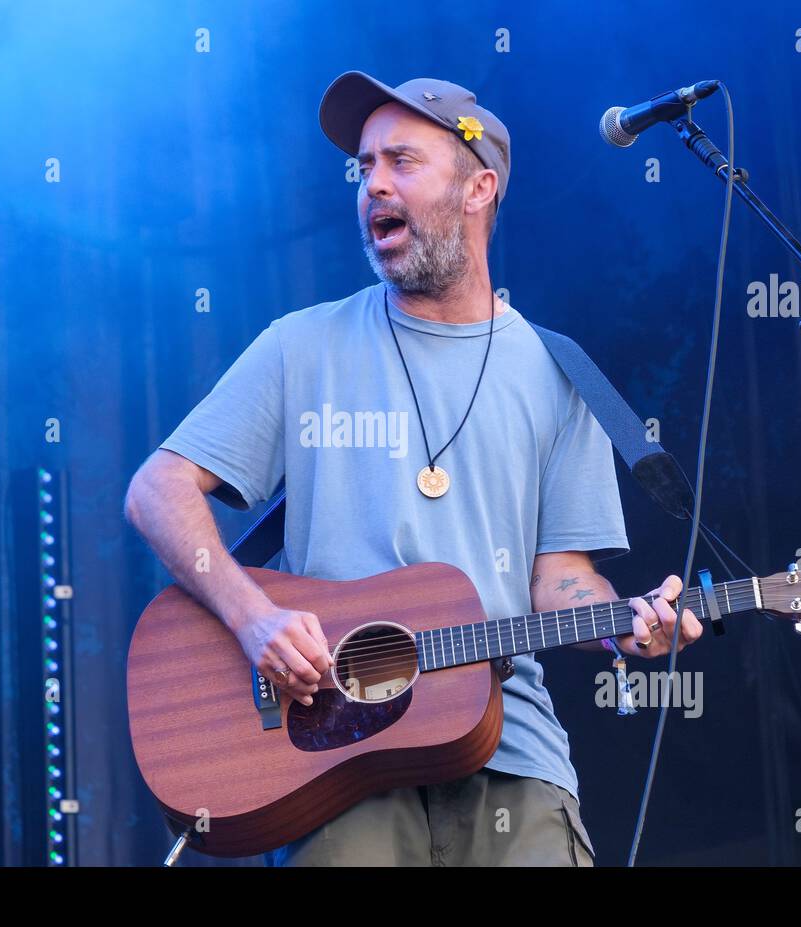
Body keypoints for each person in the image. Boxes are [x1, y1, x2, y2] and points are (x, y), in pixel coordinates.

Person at [124, 71, 703, 866]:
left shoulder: (558, 373)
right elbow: (157, 490)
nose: (373, 186)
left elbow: (559, 580)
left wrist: (625, 626)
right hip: (334, 760)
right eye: (364, 167)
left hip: (515, 755)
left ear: (479, 187)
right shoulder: (302, 346)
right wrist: (252, 617)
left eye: (401, 161)